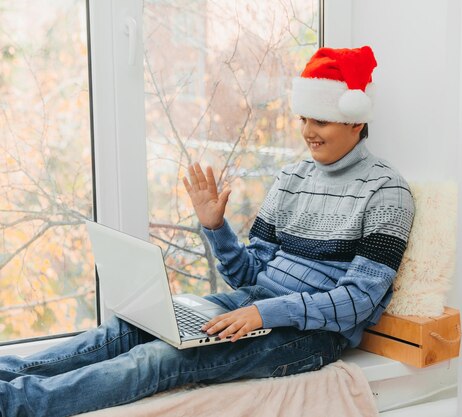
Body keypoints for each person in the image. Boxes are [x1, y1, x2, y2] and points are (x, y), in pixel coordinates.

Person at [0, 45, 415, 417]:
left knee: (158, 359)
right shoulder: (292, 177)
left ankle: (16, 405)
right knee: (124, 330)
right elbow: (250, 276)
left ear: (356, 122)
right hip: (249, 305)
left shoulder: (387, 191)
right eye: (304, 118)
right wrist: (215, 228)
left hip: (311, 337)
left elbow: (359, 301)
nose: (307, 131)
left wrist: (264, 312)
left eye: (321, 120)